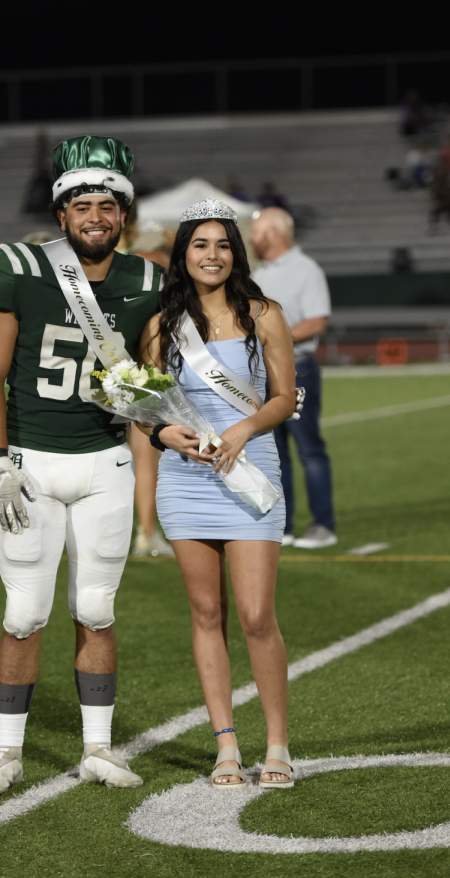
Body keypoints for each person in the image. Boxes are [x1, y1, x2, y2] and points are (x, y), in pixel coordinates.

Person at [0, 135, 165, 796]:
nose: (95, 215)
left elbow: (152, 385)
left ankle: (99, 748)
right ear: (61, 214)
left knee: (97, 607)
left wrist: (146, 400)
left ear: (124, 214)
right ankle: (6, 753)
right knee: (25, 612)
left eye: (108, 205)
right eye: (82, 203)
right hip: (30, 462)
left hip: (106, 463)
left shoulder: (146, 280)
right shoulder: (20, 267)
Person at [138, 198, 297, 789]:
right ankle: (226, 745)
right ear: (183, 254)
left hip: (250, 473)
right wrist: (164, 435)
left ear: (237, 251)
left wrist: (243, 427)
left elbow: (284, 396)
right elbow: (144, 408)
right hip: (187, 480)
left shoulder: (265, 314)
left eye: (223, 244)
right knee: (207, 614)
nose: (213, 255)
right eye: (200, 245)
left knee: (257, 615)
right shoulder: (162, 324)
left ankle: (277, 743)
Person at [249, 207, 336, 549]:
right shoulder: (262, 271)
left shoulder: (306, 269)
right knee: (274, 452)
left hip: (298, 369)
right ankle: (282, 526)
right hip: (264, 372)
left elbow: (316, 323)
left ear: (272, 233)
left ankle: (323, 525)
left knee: (309, 450)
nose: (251, 239)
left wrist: (274, 339)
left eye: (255, 232)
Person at [116, 207, 174, 557]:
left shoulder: (88, 263)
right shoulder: (145, 261)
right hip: (139, 367)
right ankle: (147, 533)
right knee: (146, 455)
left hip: (99, 370)